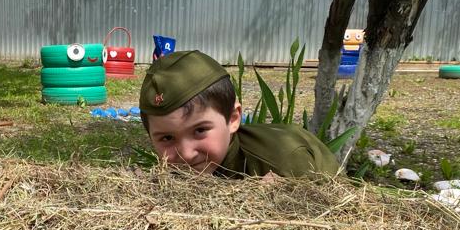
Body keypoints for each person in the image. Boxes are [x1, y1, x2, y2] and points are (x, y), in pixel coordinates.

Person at [138, 50, 342, 178]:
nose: (186, 153)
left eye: (200, 130)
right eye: (167, 138)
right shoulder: (178, 173)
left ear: (233, 119)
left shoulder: (285, 163)